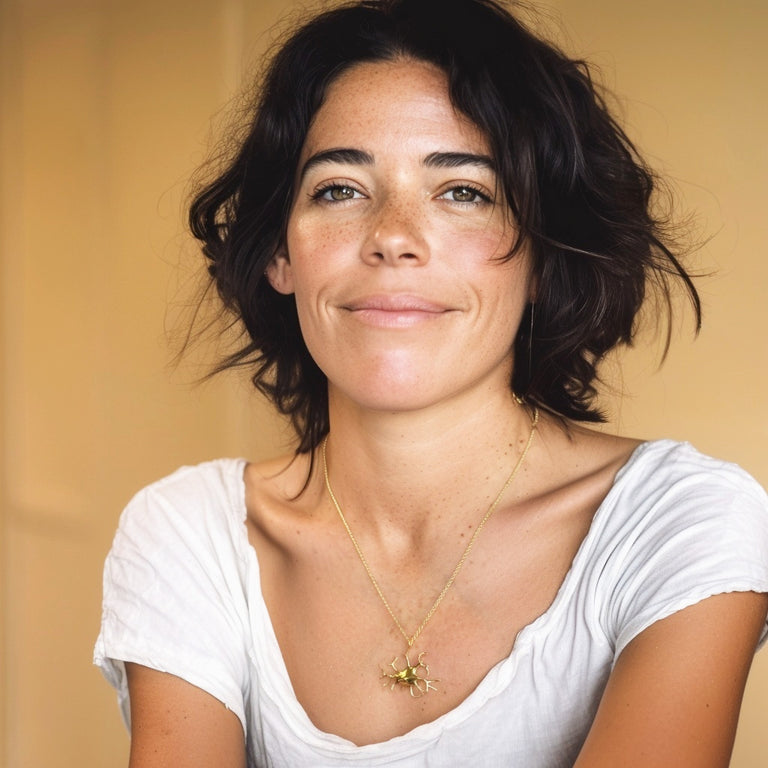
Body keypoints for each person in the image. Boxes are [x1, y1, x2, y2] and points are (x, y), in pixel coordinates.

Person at [94, 0, 768, 765]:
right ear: (280, 253)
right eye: (339, 189)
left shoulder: (680, 520)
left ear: (545, 257)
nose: (392, 237)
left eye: (463, 192)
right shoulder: (191, 532)